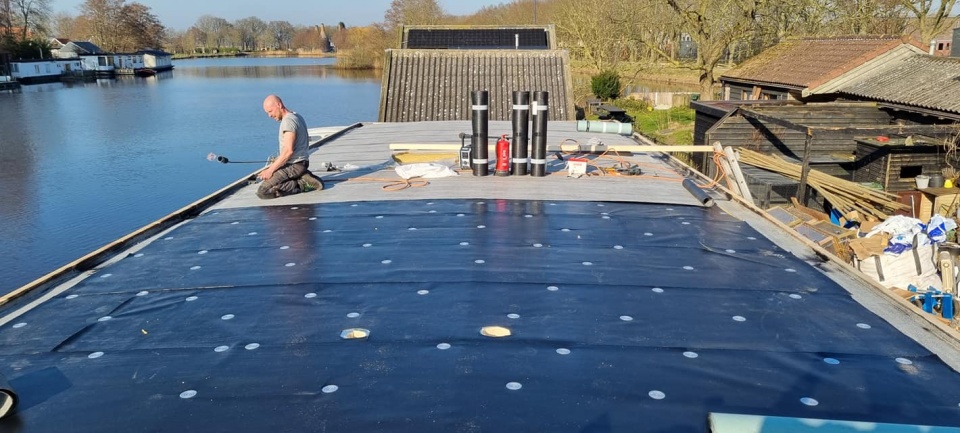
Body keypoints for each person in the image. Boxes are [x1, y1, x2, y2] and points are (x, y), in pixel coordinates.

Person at [256, 94, 325, 199]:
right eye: (267, 113)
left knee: (263, 192)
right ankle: (303, 176)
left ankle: (302, 184)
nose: (269, 115)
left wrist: (270, 171)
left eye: (270, 111)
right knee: (272, 179)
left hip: (294, 165)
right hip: (300, 164)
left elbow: (288, 151)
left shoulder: (288, 121)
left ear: (279, 105)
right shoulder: (296, 116)